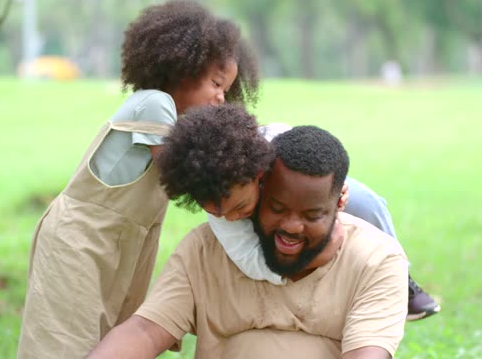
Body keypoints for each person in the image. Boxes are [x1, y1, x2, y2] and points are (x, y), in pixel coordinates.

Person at [17, 1, 259, 358]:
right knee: (63, 343)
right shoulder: (154, 104)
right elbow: (185, 173)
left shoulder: (171, 119)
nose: (222, 98)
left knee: (107, 343)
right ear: (183, 67)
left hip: (121, 248)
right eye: (216, 83)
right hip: (80, 242)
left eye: (227, 89)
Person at [89, 125, 409, 358]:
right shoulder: (205, 250)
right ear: (259, 187)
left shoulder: (376, 260)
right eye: (277, 208)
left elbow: (366, 354)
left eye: (311, 215)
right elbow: (145, 330)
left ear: (340, 201)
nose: (291, 227)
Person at [158, 105, 440, 320]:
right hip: (279, 253)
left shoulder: (275, 144)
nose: (231, 217)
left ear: (259, 175)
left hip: (303, 195)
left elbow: (319, 161)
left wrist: (333, 192)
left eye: (240, 207)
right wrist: (313, 258)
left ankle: (401, 280)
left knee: (367, 203)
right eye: (219, 213)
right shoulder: (224, 214)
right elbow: (249, 260)